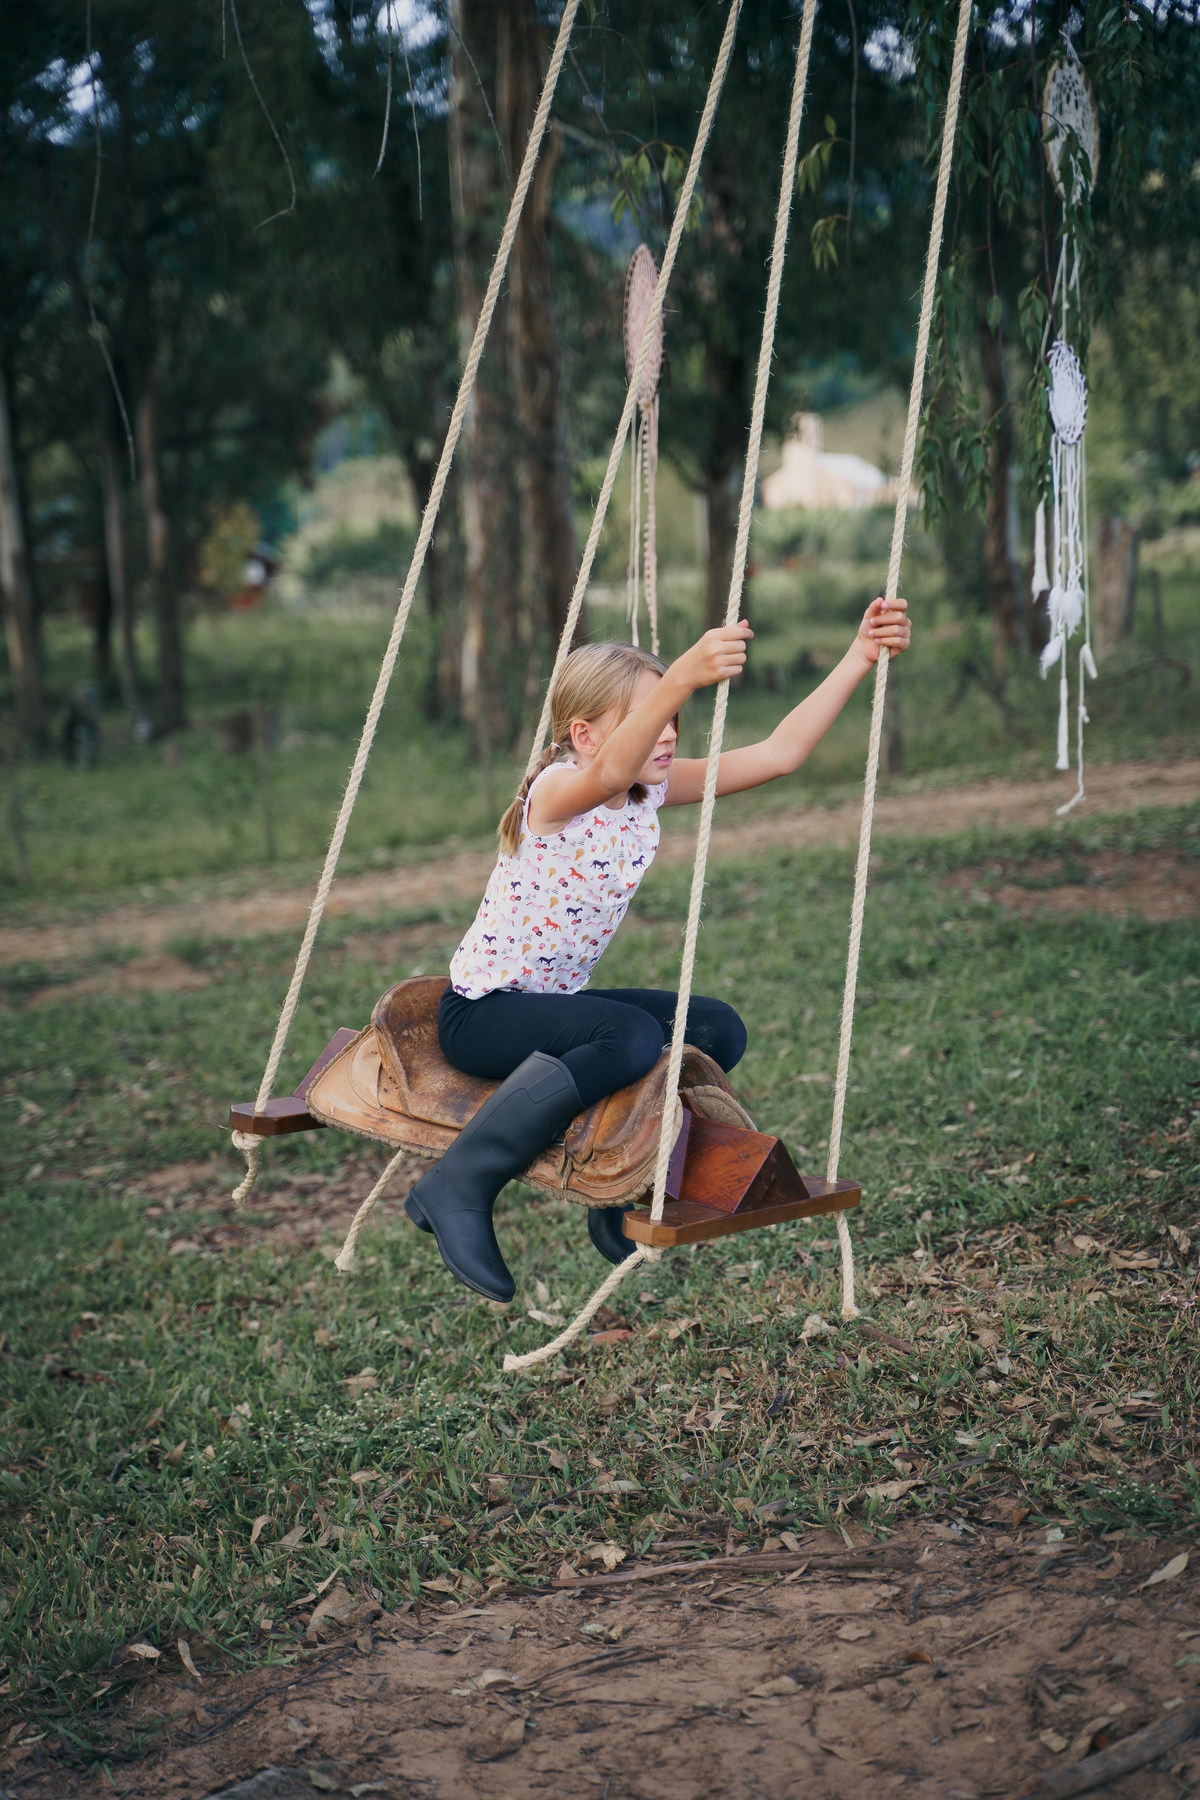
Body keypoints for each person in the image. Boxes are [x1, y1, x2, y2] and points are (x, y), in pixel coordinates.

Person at [406, 598, 911, 1302]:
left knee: (712, 1029)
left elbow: (778, 754)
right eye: (650, 721)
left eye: (672, 720)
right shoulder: (556, 793)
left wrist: (859, 654)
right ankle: (460, 1182)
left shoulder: (647, 790)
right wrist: (679, 677)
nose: (668, 734)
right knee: (635, 1038)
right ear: (583, 735)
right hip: (481, 1016)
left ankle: (621, 1190)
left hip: (551, 1008)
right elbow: (608, 775)